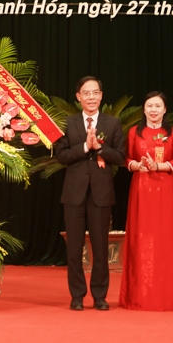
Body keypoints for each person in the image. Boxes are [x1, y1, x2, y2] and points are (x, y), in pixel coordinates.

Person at [55, 76, 125, 311]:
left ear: (101, 95)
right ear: (78, 97)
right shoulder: (68, 123)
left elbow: (121, 157)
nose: (91, 97)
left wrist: (100, 147)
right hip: (73, 194)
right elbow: (61, 156)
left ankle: (100, 295)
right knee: (74, 249)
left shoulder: (113, 123)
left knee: (100, 247)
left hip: (101, 193)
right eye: (87, 93)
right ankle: (77, 296)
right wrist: (85, 147)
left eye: (95, 92)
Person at [118, 92, 173, 311]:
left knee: (165, 237)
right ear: (144, 109)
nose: (154, 110)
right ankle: (137, 296)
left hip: (165, 187)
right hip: (141, 187)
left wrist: (159, 166)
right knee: (141, 236)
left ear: (165, 109)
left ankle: (166, 296)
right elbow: (126, 158)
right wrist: (136, 166)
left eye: (158, 106)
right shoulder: (134, 132)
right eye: (150, 106)